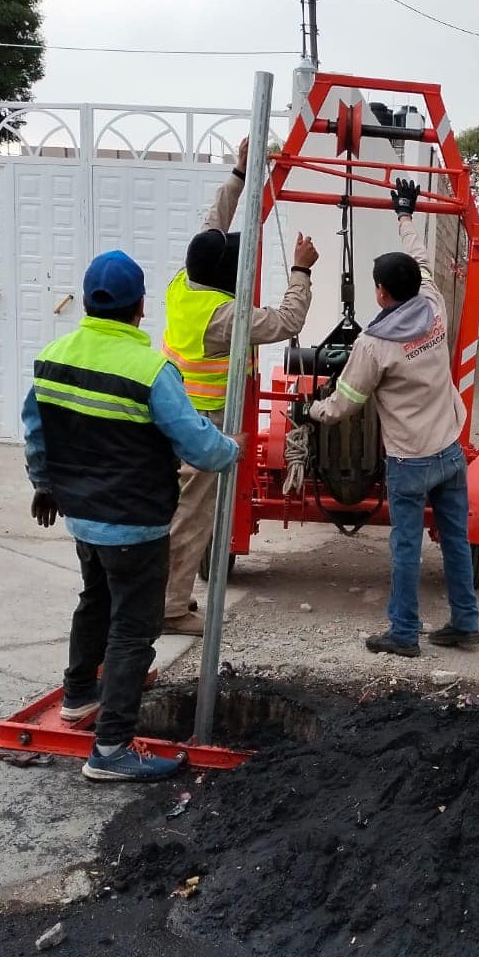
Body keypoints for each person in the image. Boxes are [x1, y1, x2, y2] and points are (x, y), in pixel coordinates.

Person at [23, 249, 240, 782]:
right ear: (140, 307)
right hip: (135, 524)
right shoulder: (150, 370)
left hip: (84, 519)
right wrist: (231, 448)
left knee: (94, 601)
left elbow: (34, 430)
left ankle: (77, 697)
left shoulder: (53, 356)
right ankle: (112, 749)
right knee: (132, 632)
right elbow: (198, 446)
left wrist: (45, 485)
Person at [308, 179, 479, 658]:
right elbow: (422, 260)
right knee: (455, 541)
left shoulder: (374, 345)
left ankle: (403, 633)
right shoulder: (434, 305)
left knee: (406, 548)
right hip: (449, 448)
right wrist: (405, 213)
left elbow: (344, 402)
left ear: (382, 293)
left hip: (409, 461)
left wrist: (311, 411)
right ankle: (465, 623)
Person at [161, 136, 319, 636]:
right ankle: (169, 609)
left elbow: (213, 224)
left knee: (170, 513)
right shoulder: (225, 317)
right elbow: (289, 319)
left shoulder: (182, 285)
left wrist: (240, 172)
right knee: (190, 519)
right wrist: (301, 270)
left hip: (168, 412)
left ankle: (158, 598)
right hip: (200, 423)